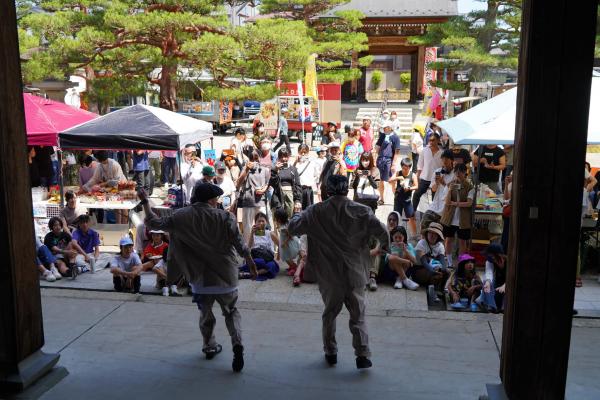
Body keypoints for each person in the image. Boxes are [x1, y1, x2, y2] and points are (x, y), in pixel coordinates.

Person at [139, 182, 257, 372]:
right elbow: (239, 242)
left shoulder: (180, 216)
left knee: (205, 314)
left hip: (199, 278)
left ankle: (209, 346)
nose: (218, 202)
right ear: (211, 200)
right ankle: (237, 343)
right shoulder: (225, 216)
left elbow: (153, 223)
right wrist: (250, 260)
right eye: (216, 199)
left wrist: (145, 201)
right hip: (225, 275)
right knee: (231, 311)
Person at [288, 175, 389, 369]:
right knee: (358, 316)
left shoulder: (315, 212)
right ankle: (362, 354)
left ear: (327, 190)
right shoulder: (362, 211)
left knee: (330, 314)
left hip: (330, 275)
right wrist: (383, 249)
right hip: (355, 273)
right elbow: (383, 232)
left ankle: (331, 352)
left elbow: (293, 227)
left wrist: (299, 213)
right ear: (347, 190)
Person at [440, 163, 474, 267]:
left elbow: (469, 203)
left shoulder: (469, 186)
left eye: (460, 172)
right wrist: (450, 189)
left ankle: (461, 263)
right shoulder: (451, 184)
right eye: (456, 171)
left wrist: (456, 203)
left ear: (465, 173)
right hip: (450, 217)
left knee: (462, 242)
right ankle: (449, 262)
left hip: (463, 219)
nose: (458, 174)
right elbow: (446, 201)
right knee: (448, 239)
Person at [84, 150, 128, 224]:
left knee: (124, 207)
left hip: (122, 186)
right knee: (117, 208)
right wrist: (86, 186)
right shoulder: (100, 165)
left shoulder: (114, 164)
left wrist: (103, 184)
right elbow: (95, 178)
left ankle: (124, 226)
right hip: (113, 189)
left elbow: (116, 181)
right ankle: (118, 225)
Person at [237, 149, 270, 243]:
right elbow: (238, 184)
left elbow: (268, 184)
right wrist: (247, 169)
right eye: (252, 158)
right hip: (248, 201)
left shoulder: (265, 170)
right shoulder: (245, 168)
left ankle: (259, 244)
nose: (254, 161)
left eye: (256, 158)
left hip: (261, 201)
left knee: (261, 224)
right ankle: (248, 247)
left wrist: (263, 189)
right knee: (247, 226)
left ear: (260, 158)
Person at [420, 149, 456, 231]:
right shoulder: (438, 172)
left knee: (440, 233)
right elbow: (433, 190)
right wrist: (437, 183)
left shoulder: (455, 175)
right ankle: (423, 243)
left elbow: (454, 192)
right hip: (435, 206)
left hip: (446, 210)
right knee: (424, 224)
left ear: (452, 161)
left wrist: (443, 183)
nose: (444, 164)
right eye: (443, 161)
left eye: (446, 161)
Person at [412, 222, 449, 298]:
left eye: (434, 234)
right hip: (419, 270)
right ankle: (432, 292)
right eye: (430, 233)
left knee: (447, 272)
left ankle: (441, 289)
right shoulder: (421, 243)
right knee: (433, 273)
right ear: (427, 233)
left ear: (438, 236)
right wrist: (434, 271)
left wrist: (442, 270)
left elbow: (442, 260)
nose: (432, 235)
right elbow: (424, 261)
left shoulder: (440, 246)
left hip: (433, 269)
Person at [239, 212, 280, 280]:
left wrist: (278, 259)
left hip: (268, 258)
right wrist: (252, 233)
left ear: (266, 222)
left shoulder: (270, 233)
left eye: (263, 221)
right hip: (257, 258)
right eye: (259, 221)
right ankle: (254, 272)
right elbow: (249, 247)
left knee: (271, 265)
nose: (261, 223)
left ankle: (249, 274)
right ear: (255, 222)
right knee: (258, 262)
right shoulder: (253, 233)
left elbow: (280, 244)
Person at [413, 133, 442, 211]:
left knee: (435, 199)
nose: (431, 142)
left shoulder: (442, 153)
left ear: (438, 140)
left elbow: (443, 167)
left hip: (436, 180)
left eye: (433, 140)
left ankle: (434, 215)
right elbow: (420, 165)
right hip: (425, 178)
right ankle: (412, 213)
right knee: (416, 195)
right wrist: (417, 177)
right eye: (430, 140)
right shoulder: (424, 150)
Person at [272, 208, 302, 285]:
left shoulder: (284, 227)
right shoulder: (284, 224)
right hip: (287, 244)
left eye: (276, 218)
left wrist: (285, 242)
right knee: (286, 256)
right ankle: (291, 266)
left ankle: (294, 267)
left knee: (287, 257)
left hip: (289, 244)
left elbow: (290, 235)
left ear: (279, 219)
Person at [269, 148, 302, 218]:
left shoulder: (293, 169)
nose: (283, 159)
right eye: (281, 157)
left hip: (290, 197)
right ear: (278, 157)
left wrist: (297, 200)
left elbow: (297, 185)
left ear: (289, 157)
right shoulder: (274, 168)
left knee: (289, 219)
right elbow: (272, 184)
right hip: (277, 196)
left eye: (286, 156)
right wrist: (275, 171)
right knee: (278, 220)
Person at [375, 121, 401, 205]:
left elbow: (397, 152)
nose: (384, 129)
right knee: (381, 180)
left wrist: (394, 163)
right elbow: (377, 148)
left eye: (385, 127)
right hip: (380, 159)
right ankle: (382, 198)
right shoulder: (382, 136)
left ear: (390, 127)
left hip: (389, 160)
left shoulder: (395, 137)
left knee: (392, 181)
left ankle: (397, 199)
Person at [390, 158, 418, 236]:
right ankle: (394, 233)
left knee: (411, 218)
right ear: (401, 167)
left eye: (407, 168)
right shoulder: (398, 173)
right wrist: (398, 178)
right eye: (403, 168)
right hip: (398, 199)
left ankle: (414, 235)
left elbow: (416, 186)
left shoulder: (413, 175)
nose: (405, 170)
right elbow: (390, 180)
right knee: (396, 217)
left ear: (410, 167)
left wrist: (409, 188)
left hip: (407, 200)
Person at [477, 243, 507, 313]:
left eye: (492, 256)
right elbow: (489, 272)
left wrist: (505, 285)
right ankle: (492, 306)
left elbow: (513, 278)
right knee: (486, 282)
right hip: (498, 283)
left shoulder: (510, 261)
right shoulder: (490, 261)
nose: (491, 258)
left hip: (507, 283)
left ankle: (504, 307)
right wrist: (487, 282)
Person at [293, 144, 320, 210]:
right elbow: (292, 174)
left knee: (308, 211)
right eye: (301, 152)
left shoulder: (312, 162)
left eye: (305, 152)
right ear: (298, 152)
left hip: (308, 190)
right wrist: (295, 162)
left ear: (308, 152)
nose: (303, 154)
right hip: (298, 190)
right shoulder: (296, 163)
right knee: (298, 211)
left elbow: (317, 175)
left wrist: (317, 186)